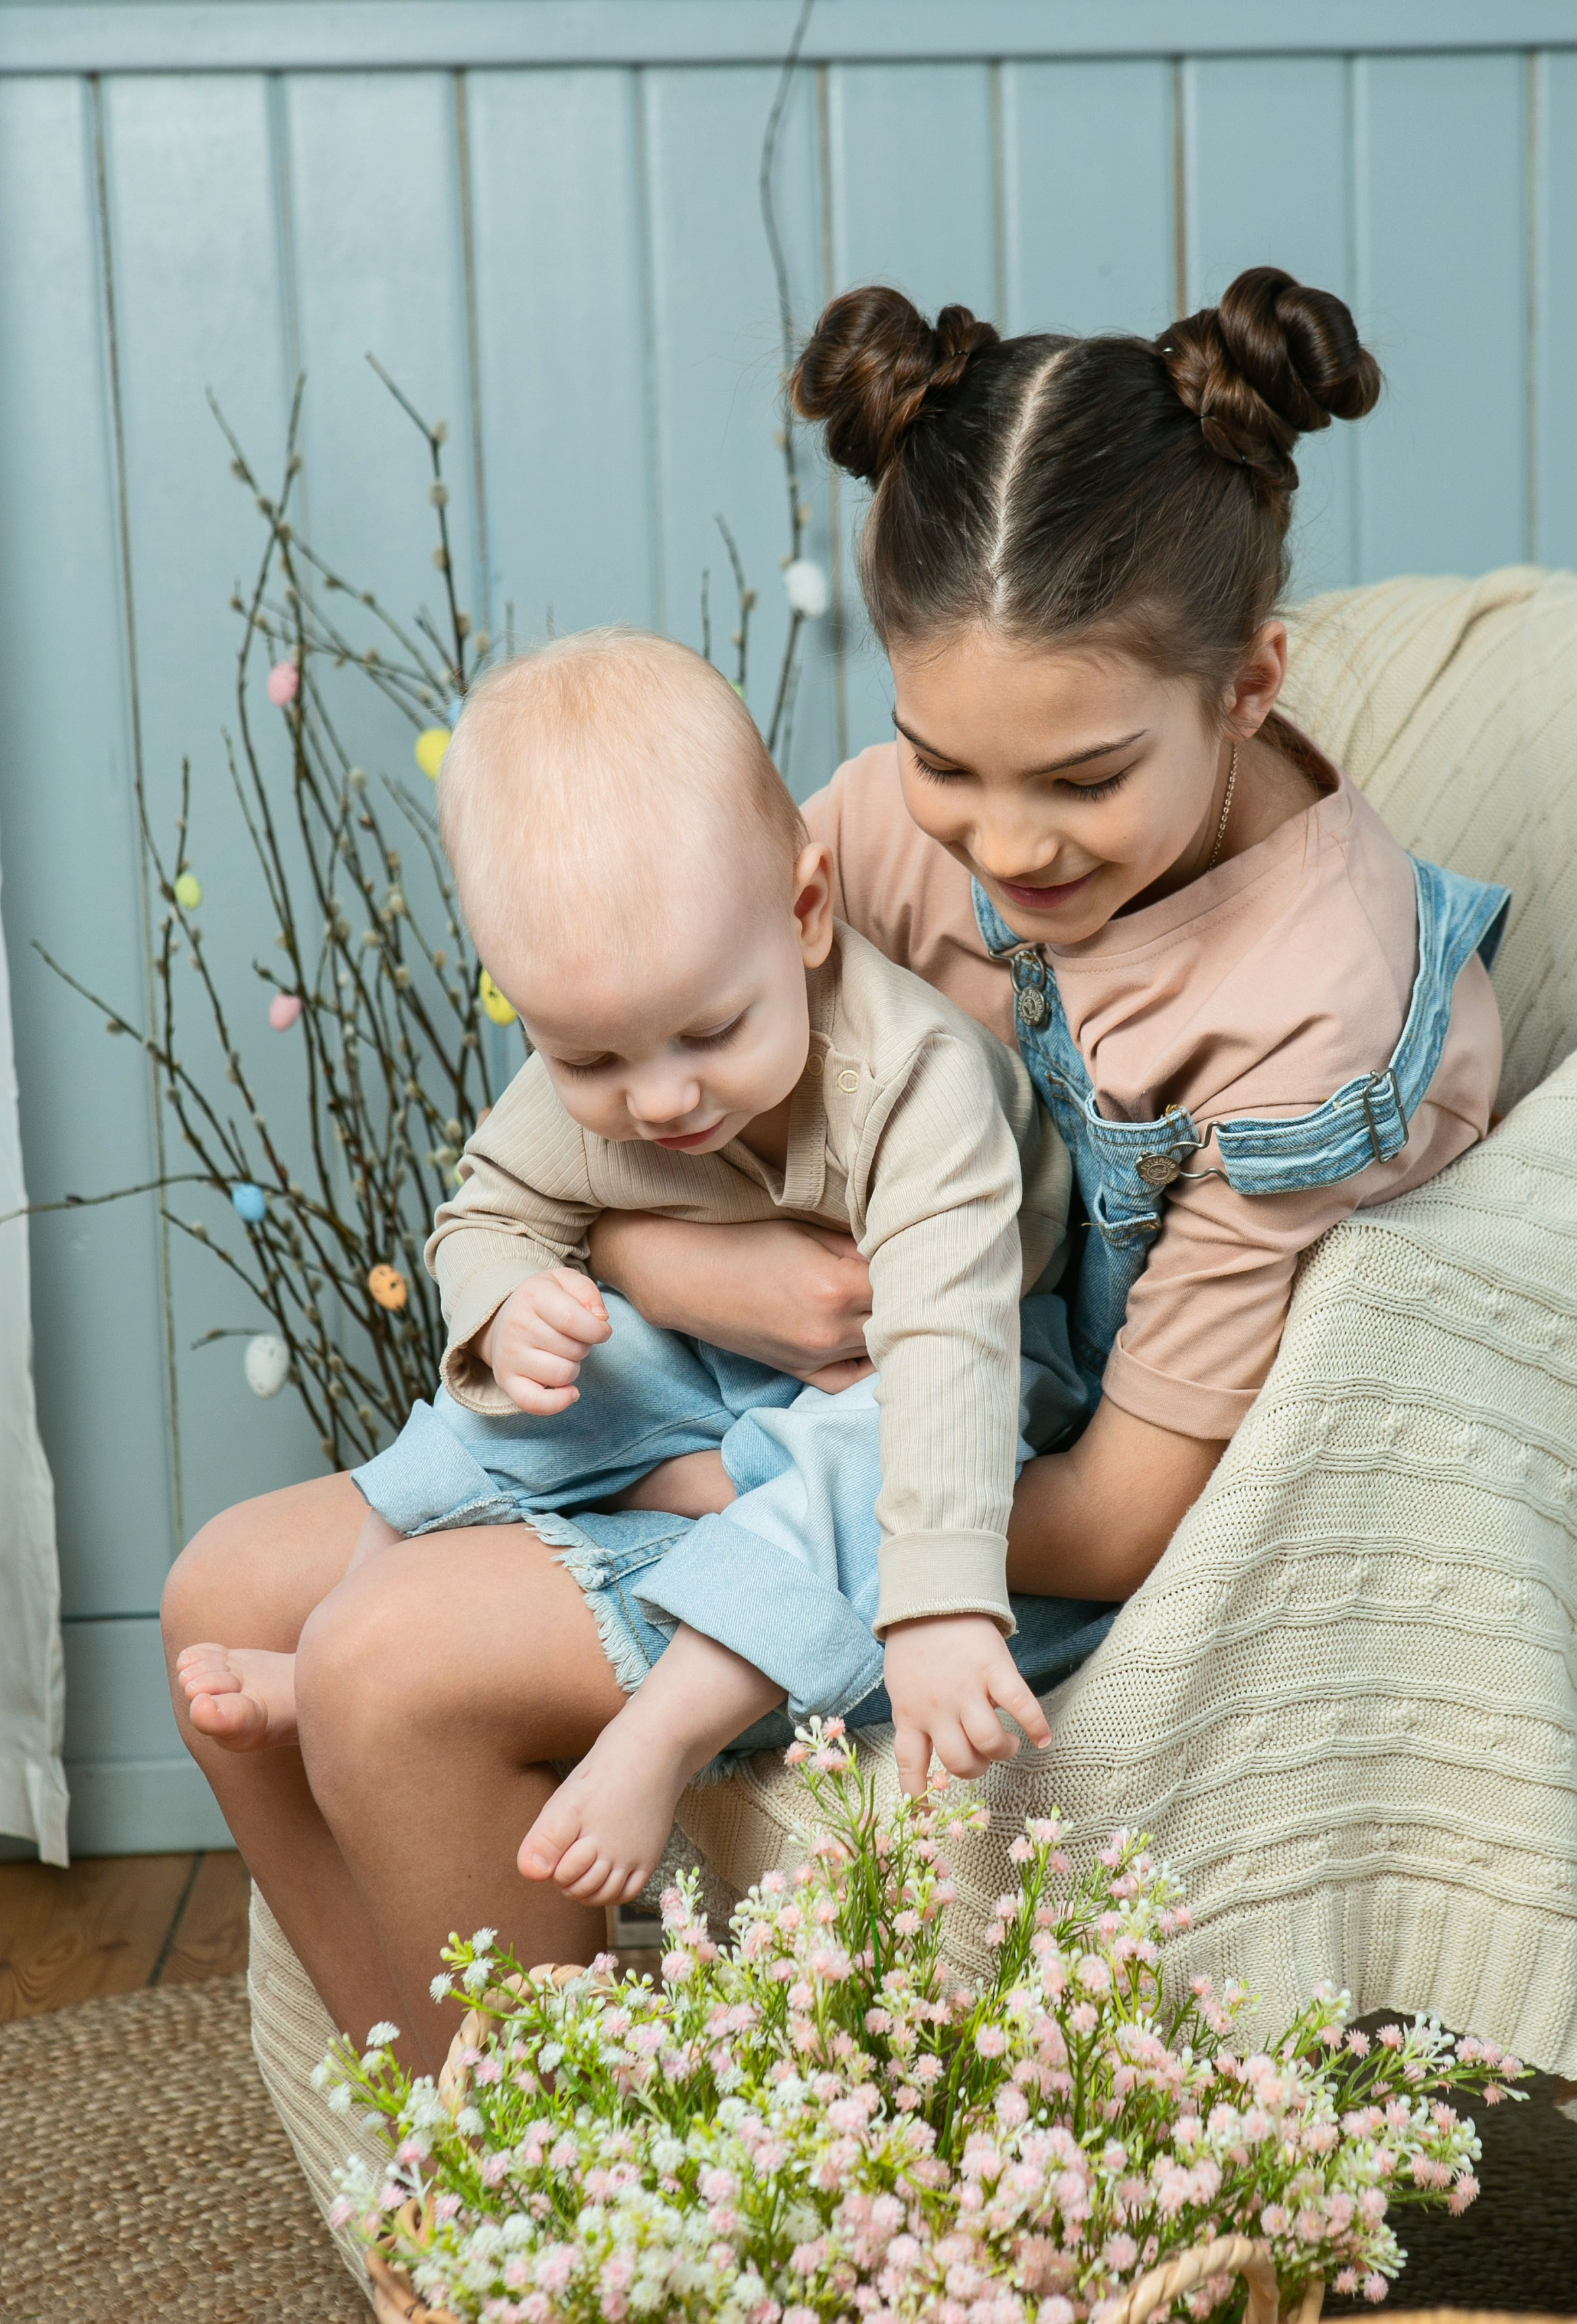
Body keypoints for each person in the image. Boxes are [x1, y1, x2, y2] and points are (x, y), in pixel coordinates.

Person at [174, 266, 1505, 2324]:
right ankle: (457, 2262)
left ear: (1253, 679)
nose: (993, 848)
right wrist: (696, 1283)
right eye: (944, 767)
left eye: (1080, 779)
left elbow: (1097, 1521)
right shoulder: (893, 816)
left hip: (982, 1519)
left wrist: (726, 1432)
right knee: (233, 1590)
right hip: (757, 1404)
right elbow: (633, 1097)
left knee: (385, 1665)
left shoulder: (1314, 1012)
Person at [177, 628, 1091, 1904]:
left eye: (712, 1032)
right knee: (574, 1363)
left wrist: (942, 1606)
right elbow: (485, 1210)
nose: (660, 1100)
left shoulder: (911, 1084)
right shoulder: (601, 1063)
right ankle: (356, 1603)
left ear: (807, 909)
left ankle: (661, 1732)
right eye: (591, 1061)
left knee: (860, 1461)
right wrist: (505, 1309)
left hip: (957, 1364)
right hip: (725, 1361)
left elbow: (951, 1352)